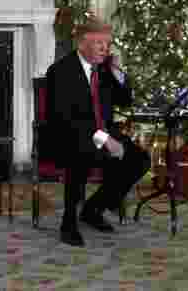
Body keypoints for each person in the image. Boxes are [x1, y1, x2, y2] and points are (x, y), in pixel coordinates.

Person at [45, 17, 151, 247]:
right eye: (99, 43)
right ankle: (69, 223)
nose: (105, 49)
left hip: (104, 134)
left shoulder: (104, 70)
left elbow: (125, 101)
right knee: (80, 155)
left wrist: (116, 72)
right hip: (68, 135)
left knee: (140, 160)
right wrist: (104, 139)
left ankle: (94, 209)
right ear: (83, 43)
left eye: (107, 44)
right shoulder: (60, 71)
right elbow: (65, 118)